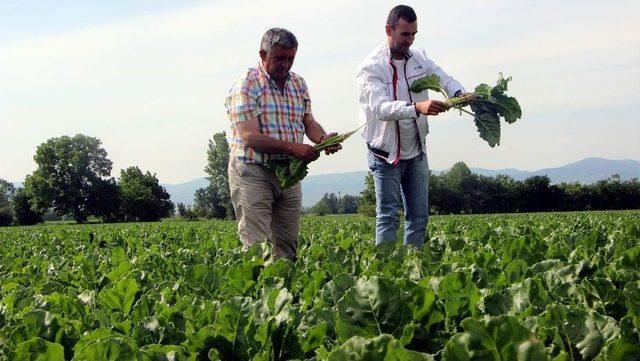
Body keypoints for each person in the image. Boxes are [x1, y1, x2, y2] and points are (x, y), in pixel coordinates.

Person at [356, 5, 472, 248]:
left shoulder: (419, 58)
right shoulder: (371, 67)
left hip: (417, 149)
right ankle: (384, 272)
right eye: (405, 34)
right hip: (385, 153)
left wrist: (459, 93)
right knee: (388, 216)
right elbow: (381, 108)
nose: (410, 40)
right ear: (389, 30)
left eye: (413, 34)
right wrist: (417, 108)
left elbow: (443, 78)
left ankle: (413, 266)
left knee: (419, 217)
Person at [225, 28, 340, 260]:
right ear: (262, 54)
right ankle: (257, 295)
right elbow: (249, 136)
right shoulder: (247, 84)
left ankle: (287, 293)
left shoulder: (298, 83)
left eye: (291, 58)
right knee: (257, 249)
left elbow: (307, 121)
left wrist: (322, 139)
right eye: (279, 58)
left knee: (288, 247)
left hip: (289, 173)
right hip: (252, 171)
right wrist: (293, 147)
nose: (285, 64)